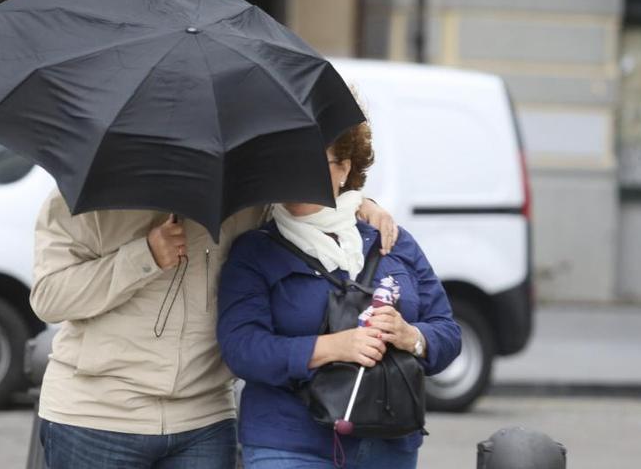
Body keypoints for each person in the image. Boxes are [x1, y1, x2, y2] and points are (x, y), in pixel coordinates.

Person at [29, 160, 399, 468]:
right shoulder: (80, 194)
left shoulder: (245, 197)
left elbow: (304, 205)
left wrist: (360, 204)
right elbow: (49, 298)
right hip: (95, 418)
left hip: (203, 421)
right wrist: (143, 257)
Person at [217, 120, 462, 469]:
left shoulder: (391, 240)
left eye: (311, 162)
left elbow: (448, 332)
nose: (296, 174)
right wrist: (333, 347)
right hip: (290, 444)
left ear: (345, 169)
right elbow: (241, 348)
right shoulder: (255, 251)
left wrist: (411, 337)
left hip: (389, 443)